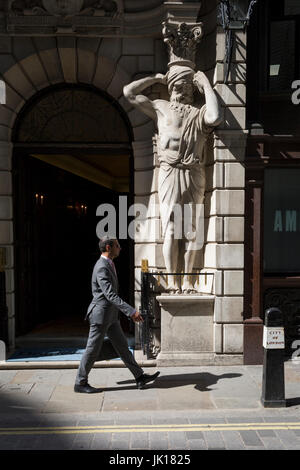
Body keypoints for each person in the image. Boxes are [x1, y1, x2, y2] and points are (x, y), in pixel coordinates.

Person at [123, 67, 221, 292]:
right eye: (179, 85)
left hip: (194, 172)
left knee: (191, 230)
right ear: (171, 87)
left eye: (188, 86)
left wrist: (206, 85)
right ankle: (172, 280)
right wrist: (154, 79)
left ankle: (187, 280)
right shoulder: (161, 107)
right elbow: (129, 92)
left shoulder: (199, 112)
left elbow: (215, 117)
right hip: (169, 172)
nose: (183, 90)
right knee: (170, 228)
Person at [74, 236, 160, 393]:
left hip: (111, 317)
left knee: (123, 348)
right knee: (92, 350)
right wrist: (131, 311)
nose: (120, 248)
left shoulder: (109, 264)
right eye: (117, 245)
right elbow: (109, 294)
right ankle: (80, 382)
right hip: (100, 316)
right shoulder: (101, 266)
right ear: (108, 248)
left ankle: (139, 377)